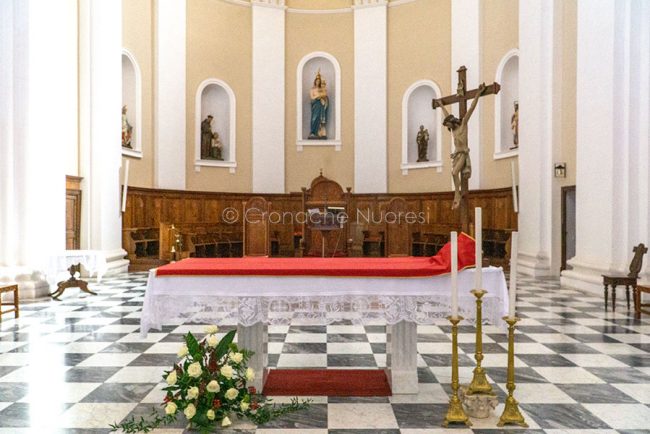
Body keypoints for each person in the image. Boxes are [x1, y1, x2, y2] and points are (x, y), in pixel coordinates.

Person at [434, 83, 487, 209]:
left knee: (454, 172)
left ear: (451, 122)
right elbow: (446, 114)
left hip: (463, 153)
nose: (448, 127)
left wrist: (478, 94)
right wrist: (441, 105)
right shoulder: (452, 130)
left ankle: (457, 194)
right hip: (456, 154)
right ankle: (457, 193)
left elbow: (471, 109)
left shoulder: (463, 124)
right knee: (453, 173)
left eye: (448, 125)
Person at [309, 70, 329, 139]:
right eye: (316, 81)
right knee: (314, 118)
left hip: (321, 105)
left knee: (320, 119)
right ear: (315, 81)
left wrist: (322, 97)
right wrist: (318, 96)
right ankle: (313, 132)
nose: (317, 82)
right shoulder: (312, 89)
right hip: (315, 105)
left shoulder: (321, 89)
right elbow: (312, 97)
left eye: (319, 81)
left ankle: (320, 133)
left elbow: (325, 95)